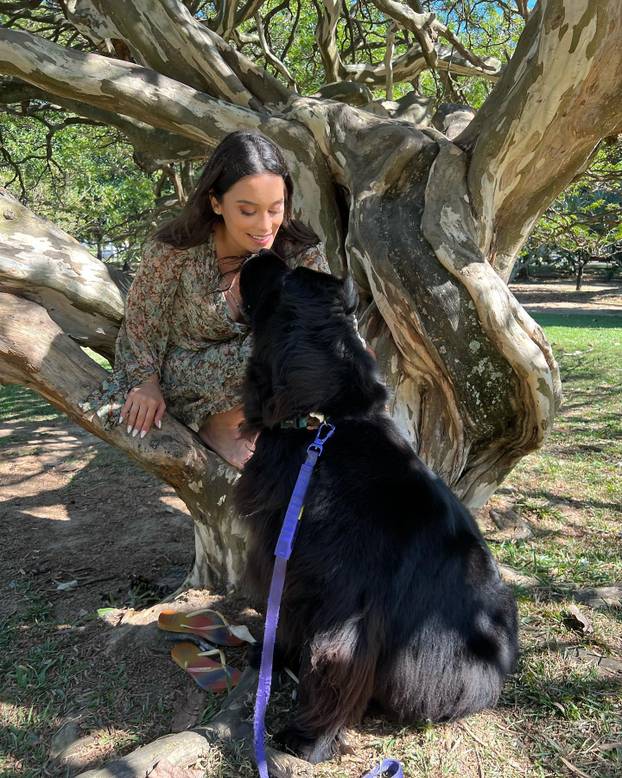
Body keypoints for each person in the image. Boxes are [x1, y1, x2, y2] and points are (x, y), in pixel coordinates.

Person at [83, 131, 330, 469]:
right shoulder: (174, 251)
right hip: (187, 375)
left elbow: (328, 324)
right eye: (247, 211)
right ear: (216, 202)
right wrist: (145, 384)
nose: (265, 225)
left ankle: (267, 426)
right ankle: (222, 426)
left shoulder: (300, 252)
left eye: (276, 209)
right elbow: (141, 327)